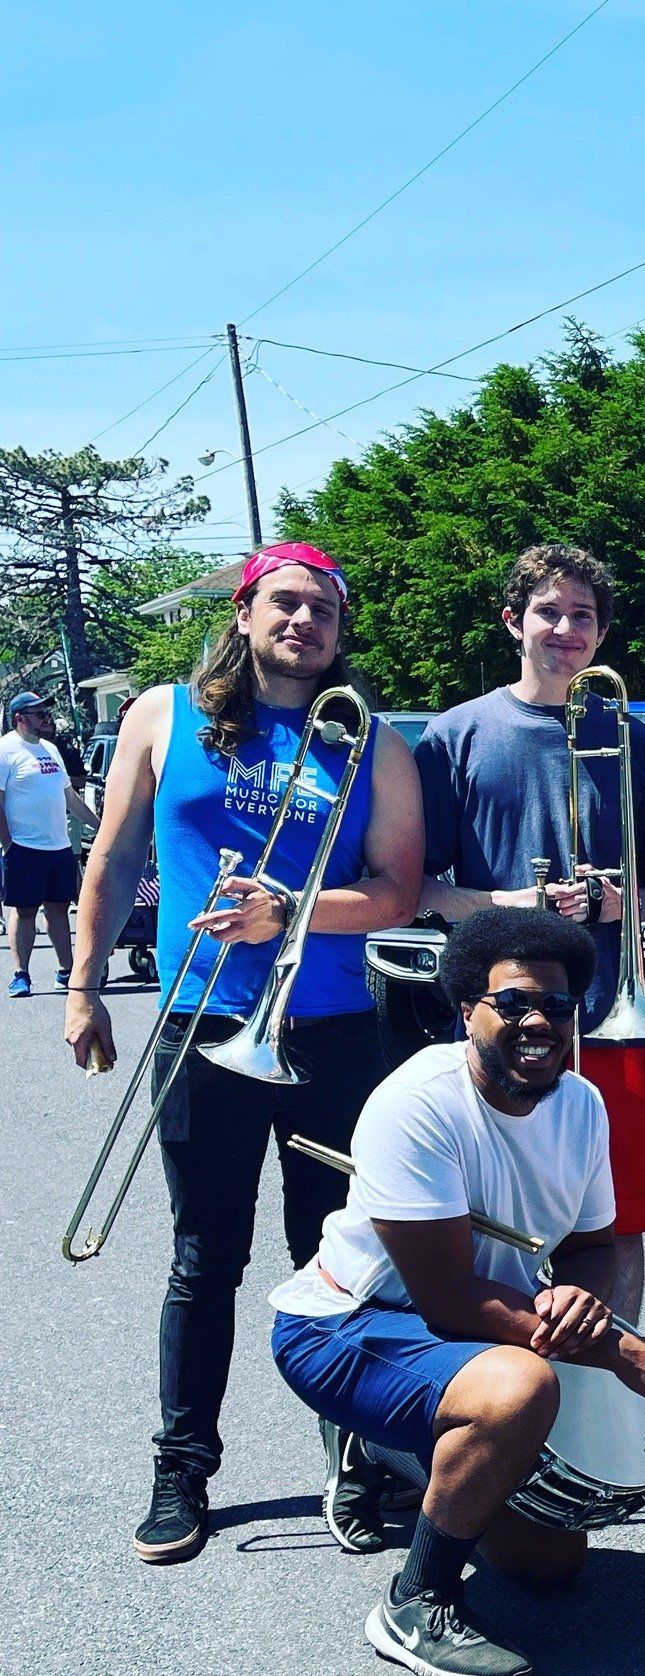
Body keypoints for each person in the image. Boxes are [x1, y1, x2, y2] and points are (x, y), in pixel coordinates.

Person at [65, 542, 426, 1565]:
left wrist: (288, 913)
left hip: (330, 1033)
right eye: (286, 601)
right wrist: (85, 984)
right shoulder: (159, 713)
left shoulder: (373, 744)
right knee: (203, 1256)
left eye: (323, 608)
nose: (304, 621)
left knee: (338, 1258)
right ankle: (182, 1465)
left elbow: (396, 891)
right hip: (201, 1020)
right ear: (246, 610)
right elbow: (116, 855)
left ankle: (352, 1460)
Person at [270, 908, 645, 1676]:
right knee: (517, 1389)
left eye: (558, 1008)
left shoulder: (581, 1105)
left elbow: (592, 1247)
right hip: (348, 1324)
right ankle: (414, 1603)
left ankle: (405, 1447)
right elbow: (447, 1296)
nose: (538, 1023)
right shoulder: (418, 1104)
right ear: (466, 1009)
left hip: (466, 1330)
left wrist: (580, 1301)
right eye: (513, 1003)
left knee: (550, 1568)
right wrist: (620, 1347)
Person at [413, 543, 645, 1323]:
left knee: (616, 1223)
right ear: (512, 621)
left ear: (600, 634)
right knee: (501, 1224)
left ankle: (608, 1399)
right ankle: (516, 1401)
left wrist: (622, 905)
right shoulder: (453, 737)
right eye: (548, 611)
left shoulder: (639, 741)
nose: (565, 627)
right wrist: (510, 907)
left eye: (582, 615)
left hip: (612, 1021)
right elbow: (417, 889)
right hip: (502, 1019)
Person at [1, 689, 87, 996]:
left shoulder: (50, 749)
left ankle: (66, 971)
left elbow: (69, 797)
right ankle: (21, 974)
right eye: (39, 714)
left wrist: (101, 827)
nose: (46, 718)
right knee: (25, 910)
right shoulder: (5, 750)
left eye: (47, 713)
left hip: (58, 846)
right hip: (24, 846)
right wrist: (8, 843)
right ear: (19, 719)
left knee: (59, 909)